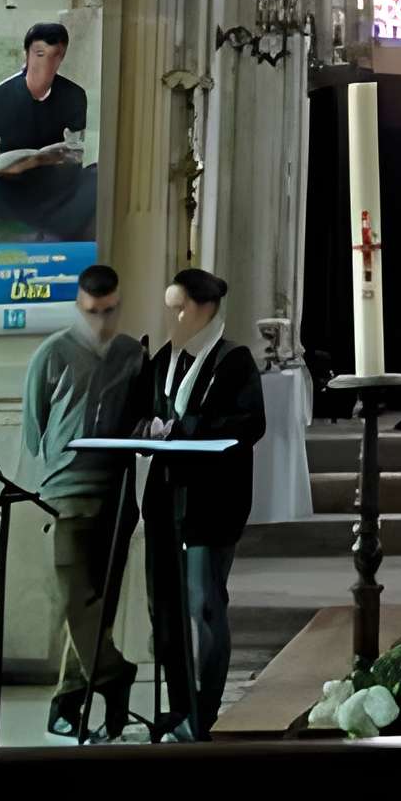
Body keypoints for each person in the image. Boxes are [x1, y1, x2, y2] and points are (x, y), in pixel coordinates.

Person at [131, 267, 265, 740]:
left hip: (212, 502)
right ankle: (178, 707)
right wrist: (146, 429)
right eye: (171, 309)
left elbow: (250, 423)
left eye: (181, 307)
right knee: (164, 607)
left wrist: (185, 430)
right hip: (166, 498)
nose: (175, 317)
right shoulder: (164, 357)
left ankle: (204, 713)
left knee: (204, 603)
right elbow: (143, 415)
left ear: (206, 309)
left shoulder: (234, 360)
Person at [20, 263, 143, 738]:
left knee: (99, 609)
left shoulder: (133, 355)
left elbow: (140, 417)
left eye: (109, 311)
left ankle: (67, 704)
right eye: (92, 312)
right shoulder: (52, 354)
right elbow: (34, 427)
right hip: (65, 496)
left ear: (118, 304)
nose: (101, 321)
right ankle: (114, 675)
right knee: (78, 601)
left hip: (115, 493)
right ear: (79, 305)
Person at [0, 21, 96, 241]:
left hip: (56, 191)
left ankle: (56, 229)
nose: (47, 64)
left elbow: (79, 152)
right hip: (10, 189)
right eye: (40, 54)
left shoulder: (74, 95)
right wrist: (35, 159)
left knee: (97, 177)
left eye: (56, 55)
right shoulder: (0, 96)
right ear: (26, 54)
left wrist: (64, 158)